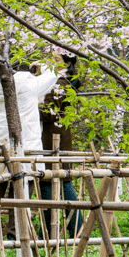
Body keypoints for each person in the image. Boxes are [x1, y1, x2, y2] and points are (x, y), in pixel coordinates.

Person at [0, 49, 66, 237]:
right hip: (22, 143)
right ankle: (16, 231)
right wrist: (41, 66)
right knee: (20, 186)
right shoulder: (28, 84)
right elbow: (53, 74)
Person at [39, 54, 83, 237]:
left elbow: (50, 113)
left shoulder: (60, 84)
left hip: (53, 138)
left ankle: (51, 231)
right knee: (61, 181)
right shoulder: (60, 81)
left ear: (67, 63)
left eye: (55, 59)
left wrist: (32, 104)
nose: (50, 61)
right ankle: (73, 228)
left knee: (51, 182)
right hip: (58, 136)